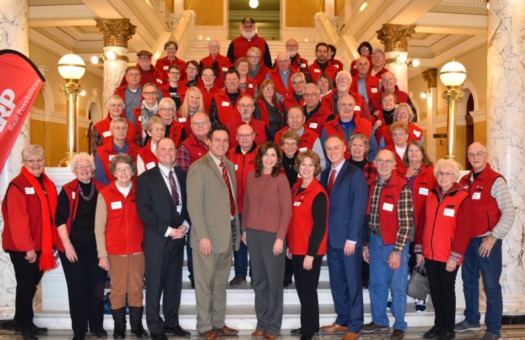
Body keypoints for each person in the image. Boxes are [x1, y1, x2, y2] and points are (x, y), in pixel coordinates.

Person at [455, 142, 515, 340]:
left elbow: (508, 212)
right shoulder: (464, 180)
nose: (475, 157)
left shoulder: (495, 180)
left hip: (487, 242)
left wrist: (493, 237)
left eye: (479, 153)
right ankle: (472, 319)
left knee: (490, 286)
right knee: (468, 282)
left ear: (486, 155)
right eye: (471, 154)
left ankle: (493, 328)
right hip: (468, 242)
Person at [187, 125, 241, 340]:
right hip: (206, 238)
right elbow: (194, 205)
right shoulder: (198, 167)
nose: (221, 144)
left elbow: (232, 201)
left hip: (226, 236)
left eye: (225, 141)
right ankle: (205, 325)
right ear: (208, 141)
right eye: (217, 140)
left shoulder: (228, 165)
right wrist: (203, 237)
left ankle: (219, 322)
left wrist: (236, 231)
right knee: (205, 285)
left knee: (220, 283)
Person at [136, 138, 191, 340]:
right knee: (155, 284)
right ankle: (155, 326)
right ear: (157, 152)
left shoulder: (184, 176)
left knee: (173, 284)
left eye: (171, 149)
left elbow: (188, 205)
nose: (168, 152)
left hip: (178, 239)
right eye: (163, 149)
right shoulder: (145, 179)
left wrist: (186, 225)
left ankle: (172, 322)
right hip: (157, 240)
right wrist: (168, 230)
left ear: (176, 152)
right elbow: (144, 211)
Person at [2, 145, 57, 340]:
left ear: (44, 161)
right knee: (26, 286)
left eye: (39, 160)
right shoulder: (18, 185)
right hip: (23, 247)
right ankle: (25, 328)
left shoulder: (45, 183)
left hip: (41, 245)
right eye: (31, 160)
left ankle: (22, 322)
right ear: (23, 163)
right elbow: (18, 221)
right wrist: (28, 249)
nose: (36, 164)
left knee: (29, 286)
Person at [319, 136, 368, 340]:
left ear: (345, 149)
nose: (332, 151)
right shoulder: (324, 174)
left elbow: (359, 208)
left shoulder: (355, 174)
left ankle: (355, 325)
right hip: (331, 239)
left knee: (352, 282)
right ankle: (342, 320)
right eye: (328, 148)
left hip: (348, 240)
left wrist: (353, 239)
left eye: (336, 148)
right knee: (337, 282)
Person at [242, 142, 292, 340]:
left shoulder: (280, 179)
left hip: (273, 236)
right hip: (253, 235)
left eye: (273, 155)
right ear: (260, 157)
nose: (269, 158)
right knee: (259, 282)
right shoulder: (251, 177)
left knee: (273, 283)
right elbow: (246, 204)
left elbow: (287, 211)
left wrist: (280, 237)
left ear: (277, 159)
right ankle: (261, 323)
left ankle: (273, 326)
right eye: (266, 155)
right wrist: (245, 228)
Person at [362, 149, 413, 340]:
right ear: (374, 163)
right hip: (375, 241)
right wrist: (366, 244)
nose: (383, 165)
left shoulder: (402, 187)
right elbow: (368, 217)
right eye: (380, 161)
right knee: (376, 284)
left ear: (394, 165)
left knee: (398, 286)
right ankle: (380, 320)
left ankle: (399, 324)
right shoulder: (372, 186)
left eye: (388, 161)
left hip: (394, 243)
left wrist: (398, 251)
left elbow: (407, 223)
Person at [415, 159, 468, 340]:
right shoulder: (431, 194)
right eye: (440, 173)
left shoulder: (462, 196)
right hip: (430, 253)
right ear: (436, 176)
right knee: (435, 291)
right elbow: (422, 223)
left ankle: (448, 329)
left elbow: (464, 230)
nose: (443, 177)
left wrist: (455, 256)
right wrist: (419, 250)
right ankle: (438, 325)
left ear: (454, 176)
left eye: (447, 174)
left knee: (446, 290)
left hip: (449, 256)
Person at [94, 154, 147, 339]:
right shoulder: (105, 195)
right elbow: (98, 227)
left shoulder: (140, 192)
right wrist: (102, 254)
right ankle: (119, 327)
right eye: (119, 169)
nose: (124, 172)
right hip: (114, 252)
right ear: (114, 173)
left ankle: (137, 326)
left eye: (127, 169)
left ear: (133, 171)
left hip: (138, 250)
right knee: (117, 290)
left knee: (136, 288)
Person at [55, 153, 107, 340]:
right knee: (77, 288)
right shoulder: (68, 190)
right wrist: (67, 246)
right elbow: (60, 220)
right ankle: (79, 330)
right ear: (74, 170)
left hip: (97, 246)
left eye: (87, 166)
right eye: (79, 167)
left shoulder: (102, 189)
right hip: (73, 245)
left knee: (97, 287)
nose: (84, 169)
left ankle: (96, 326)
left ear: (92, 169)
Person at [287, 150, 328, 340]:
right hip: (296, 248)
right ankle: (309, 324)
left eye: (310, 165)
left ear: (316, 168)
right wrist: (290, 245)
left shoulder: (318, 192)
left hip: (310, 252)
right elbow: (294, 221)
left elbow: (319, 227)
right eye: (303, 164)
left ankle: (309, 330)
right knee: (302, 289)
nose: (306, 168)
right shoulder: (297, 188)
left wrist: (311, 254)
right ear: (298, 167)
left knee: (308, 290)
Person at [399, 140, 435, 312]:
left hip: (421, 223)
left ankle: (419, 295)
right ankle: (397, 293)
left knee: (418, 259)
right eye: (410, 151)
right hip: (401, 223)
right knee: (400, 260)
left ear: (423, 154)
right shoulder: (399, 172)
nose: (413, 154)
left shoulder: (431, 173)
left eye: (416, 151)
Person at [227, 124, 258, 286]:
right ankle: (240, 273)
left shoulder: (261, 154)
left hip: (255, 208)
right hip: (235, 207)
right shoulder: (229, 154)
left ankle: (255, 273)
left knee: (254, 241)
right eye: (241, 136)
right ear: (236, 138)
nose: (245, 139)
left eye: (248, 135)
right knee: (238, 241)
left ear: (254, 136)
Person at [320, 94, 376, 161]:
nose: (347, 108)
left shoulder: (366, 125)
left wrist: (368, 168)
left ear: (354, 107)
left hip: (361, 169)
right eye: (343, 105)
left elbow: (373, 150)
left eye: (350, 105)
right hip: (337, 169)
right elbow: (323, 152)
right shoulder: (327, 127)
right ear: (338, 107)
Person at [279, 130, 300, 286]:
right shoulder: (277, 161)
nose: (290, 147)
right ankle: (284, 272)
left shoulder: (303, 161)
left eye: (293, 144)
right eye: (287, 143)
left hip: (298, 204)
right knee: (283, 237)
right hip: (281, 205)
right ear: (282, 146)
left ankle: (293, 271)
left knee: (294, 238)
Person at [94, 117, 139, 185]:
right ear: (111, 131)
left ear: (127, 130)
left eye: (123, 128)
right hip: (109, 191)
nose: (121, 131)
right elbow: (100, 177)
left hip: (133, 191)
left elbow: (139, 174)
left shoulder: (137, 150)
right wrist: (116, 189)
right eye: (117, 128)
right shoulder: (101, 152)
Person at [133, 82, 160, 146]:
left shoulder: (162, 110)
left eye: (153, 93)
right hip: (141, 145)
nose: (151, 95)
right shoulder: (136, 111)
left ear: (157, 94)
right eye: (148, 93)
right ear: (143, 95)